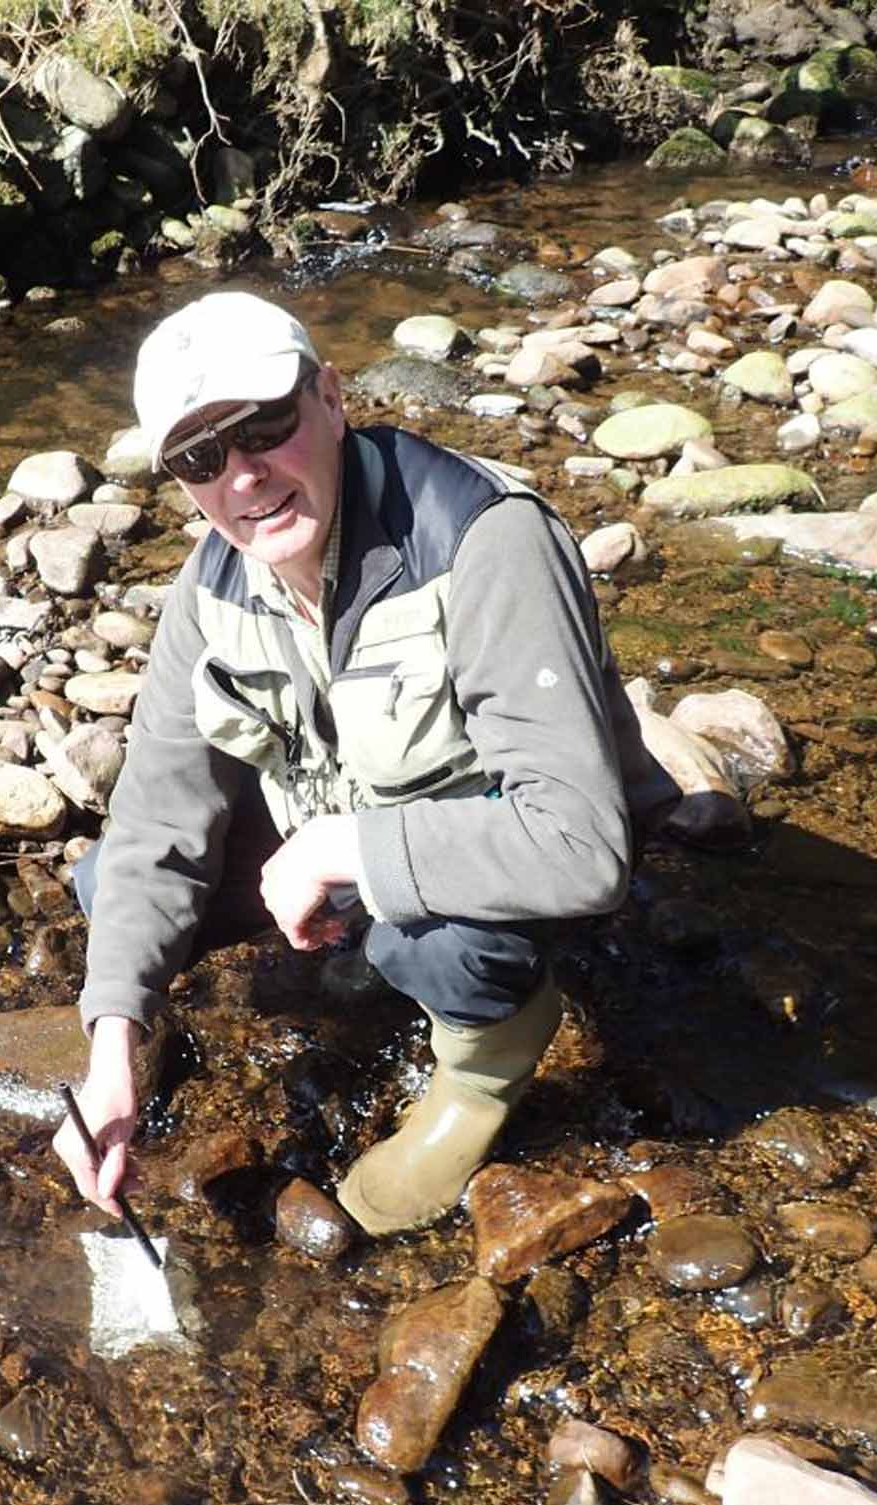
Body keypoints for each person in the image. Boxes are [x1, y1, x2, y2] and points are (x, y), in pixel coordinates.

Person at [53, 289, 675, 1235]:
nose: (244, 477)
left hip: (505, 831)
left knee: (431, 944)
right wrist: (112, 1050)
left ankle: (486, 1061)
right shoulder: (209, 591)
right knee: (110, 881)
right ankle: (350, 931)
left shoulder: (486, 540)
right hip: (347, 810)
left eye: (263, 426)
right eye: (199, 457)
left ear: (332, 400)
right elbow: (153, 829)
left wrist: (348, 851)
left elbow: (582, 845)